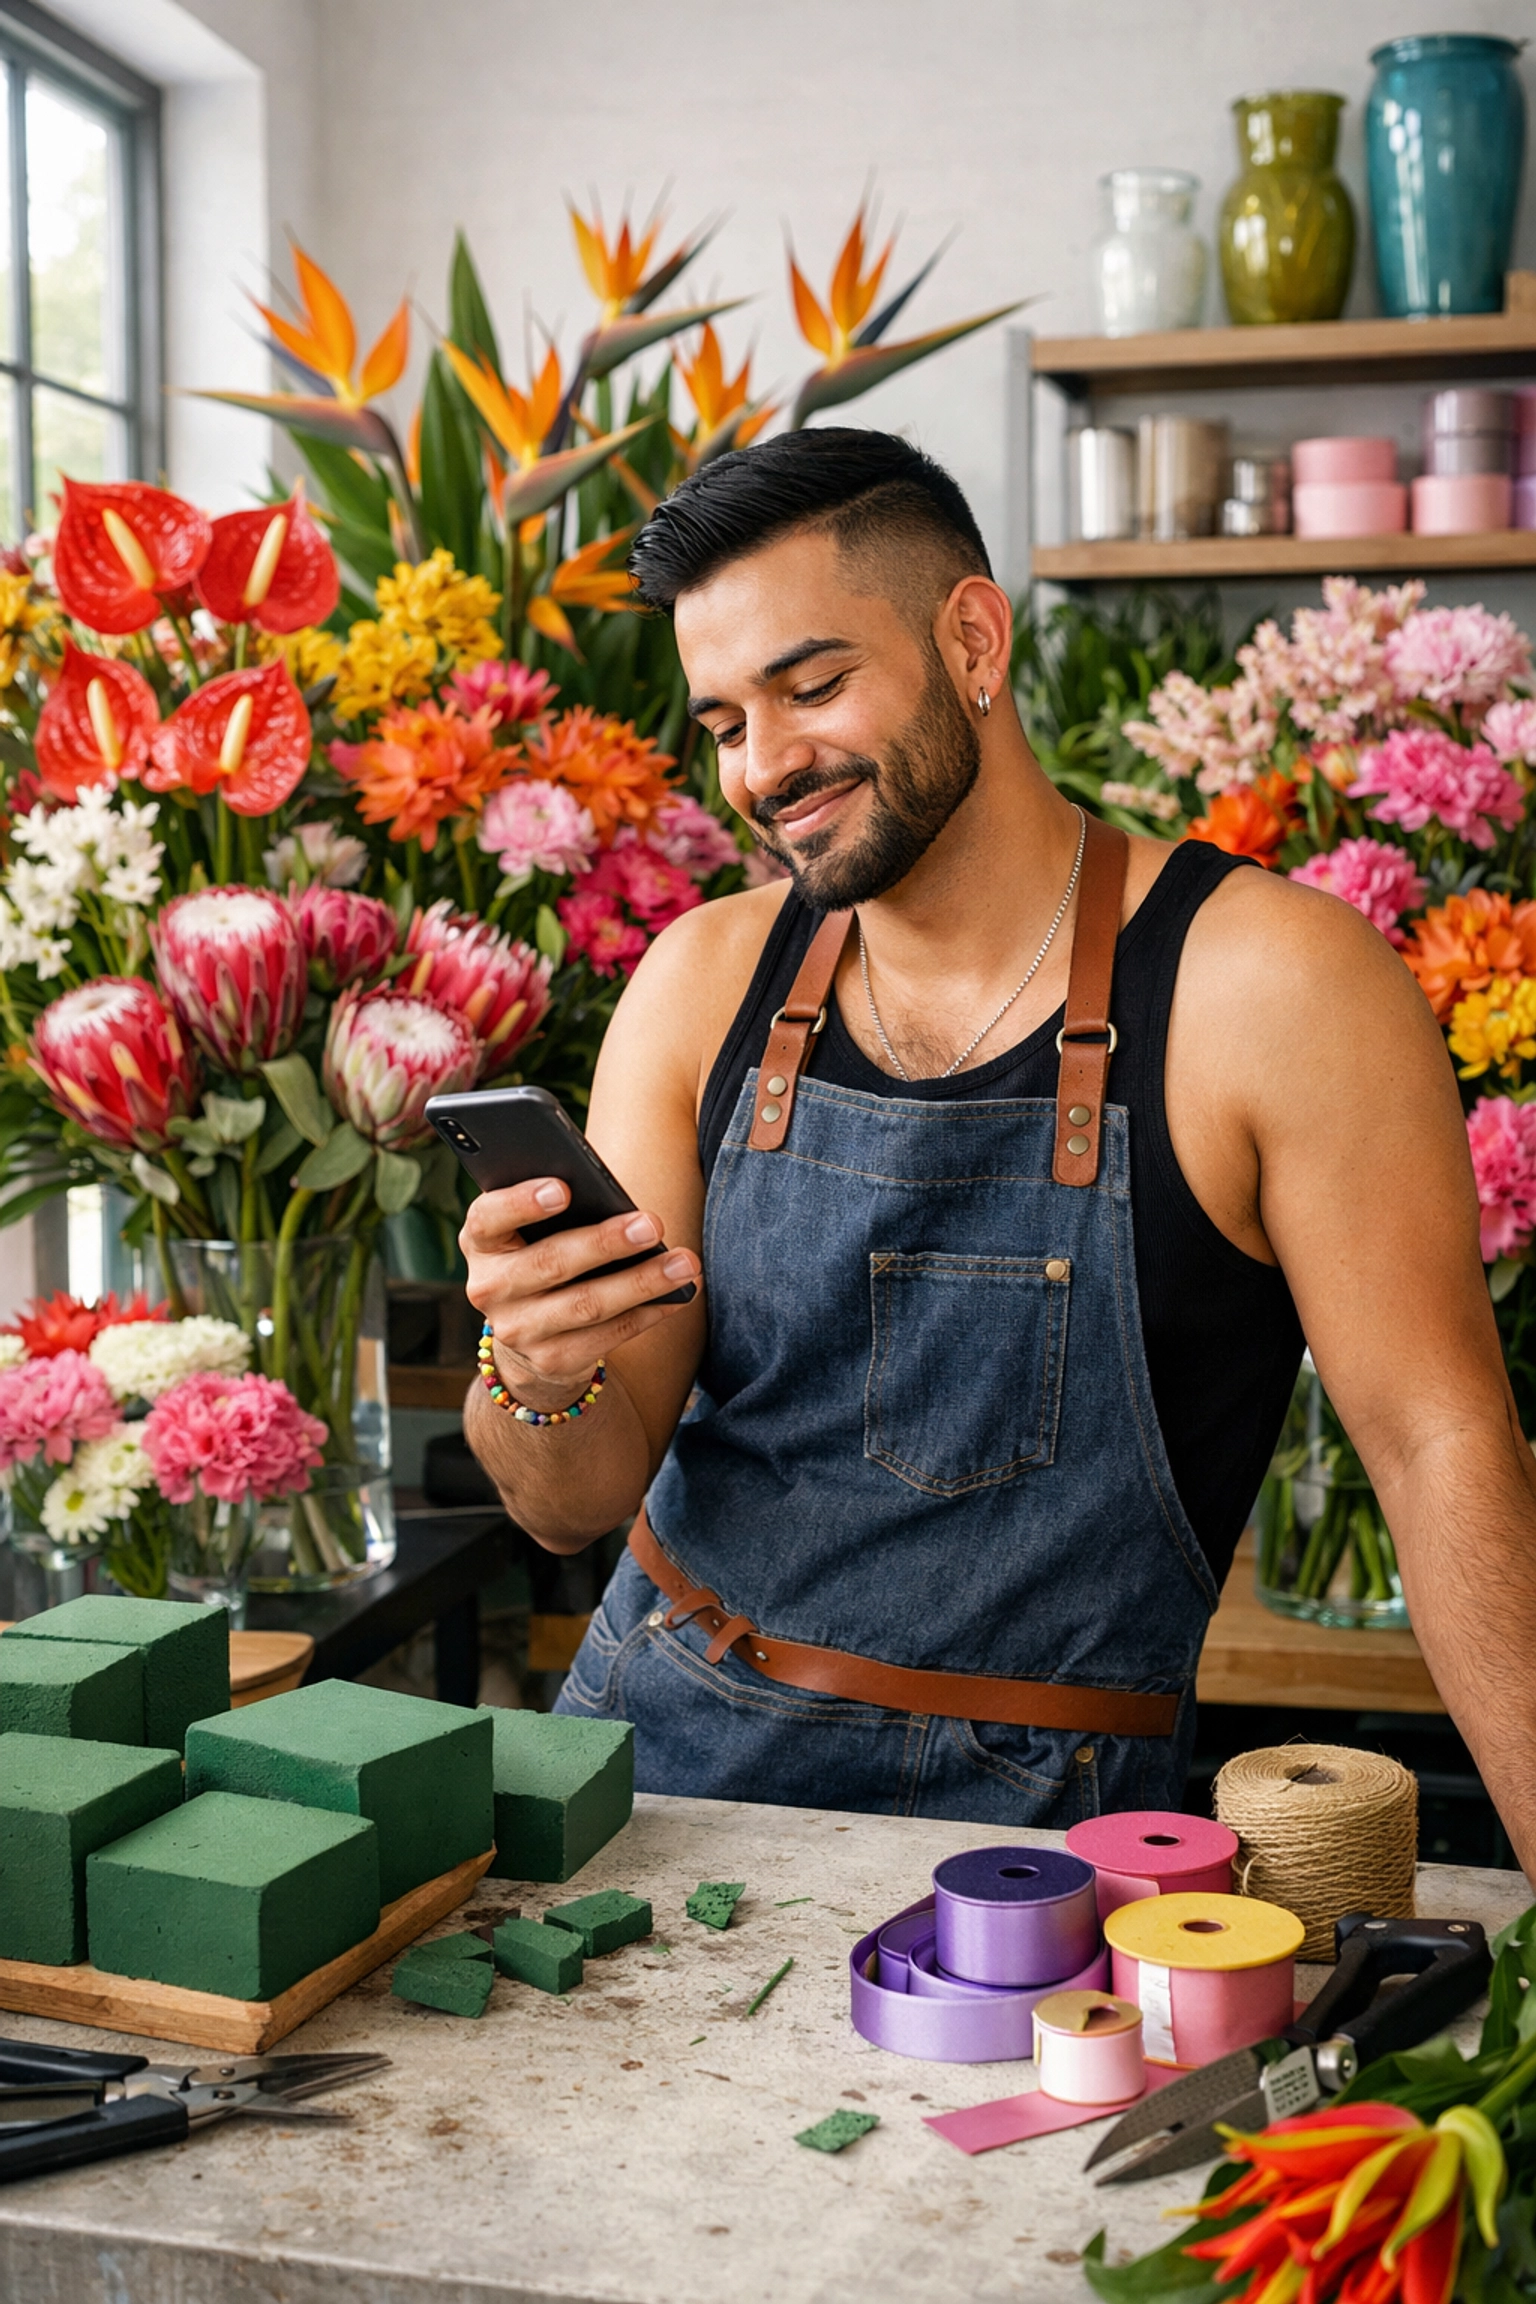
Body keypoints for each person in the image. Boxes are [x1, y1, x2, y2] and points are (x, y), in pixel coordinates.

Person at [462, 427, 1536, 1866]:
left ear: (971, 638)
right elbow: (573, 1497)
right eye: (723, 723)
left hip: (1044, 1856)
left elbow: (1437, 1446)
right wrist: (532, 1375)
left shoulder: (1268, 989)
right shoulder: (700, 985)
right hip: (652, 1791)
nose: (765, 768)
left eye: (814, 685)